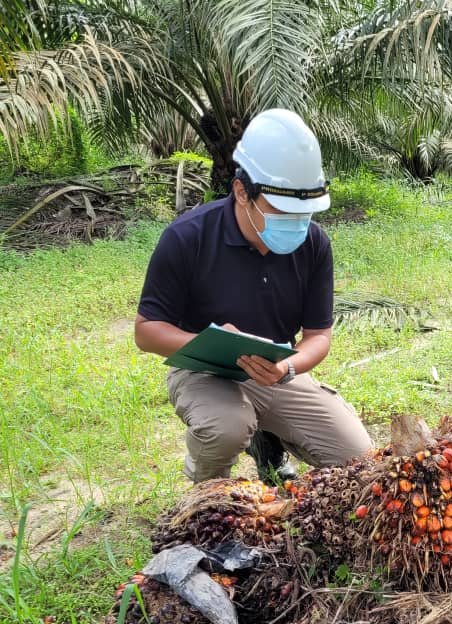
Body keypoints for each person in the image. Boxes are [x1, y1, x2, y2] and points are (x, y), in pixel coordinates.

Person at [134, 108, 372, 483]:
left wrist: (287, 367)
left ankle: (267, 440)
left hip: (275, 373)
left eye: (304, 211)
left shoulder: (313, 243)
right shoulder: (187, 238)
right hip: (202, 371)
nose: (296, 222)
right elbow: (146, 331)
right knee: (226, 426)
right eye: (282, 209)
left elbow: (318, 337)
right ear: (242, 191)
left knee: (361, 461)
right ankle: (205, 498)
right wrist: (208, 342)